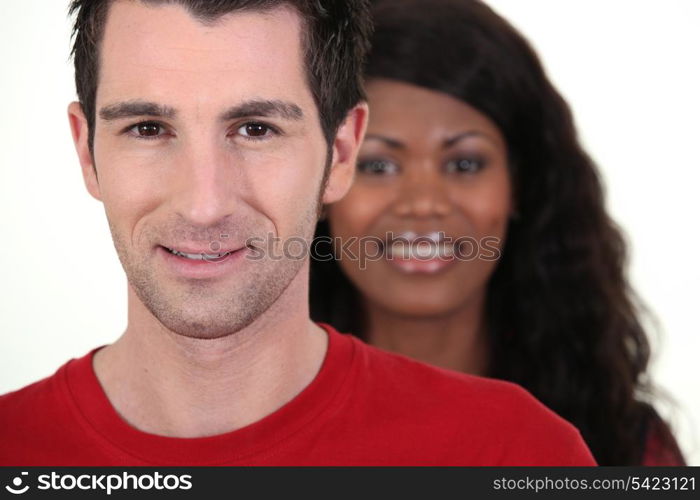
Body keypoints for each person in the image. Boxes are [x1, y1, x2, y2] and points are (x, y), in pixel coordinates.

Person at [0, 0, 595, 466]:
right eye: (149, 127)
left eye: (256, 129)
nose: (204, 205)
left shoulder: (517, 451)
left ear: (340, 152)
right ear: (86, 149)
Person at [310, 0, 685, 465]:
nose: (424, 202)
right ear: (322, 185)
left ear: (521, 185)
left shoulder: (626, 445)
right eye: (379, 165)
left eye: (465, 163)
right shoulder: (239, 420)